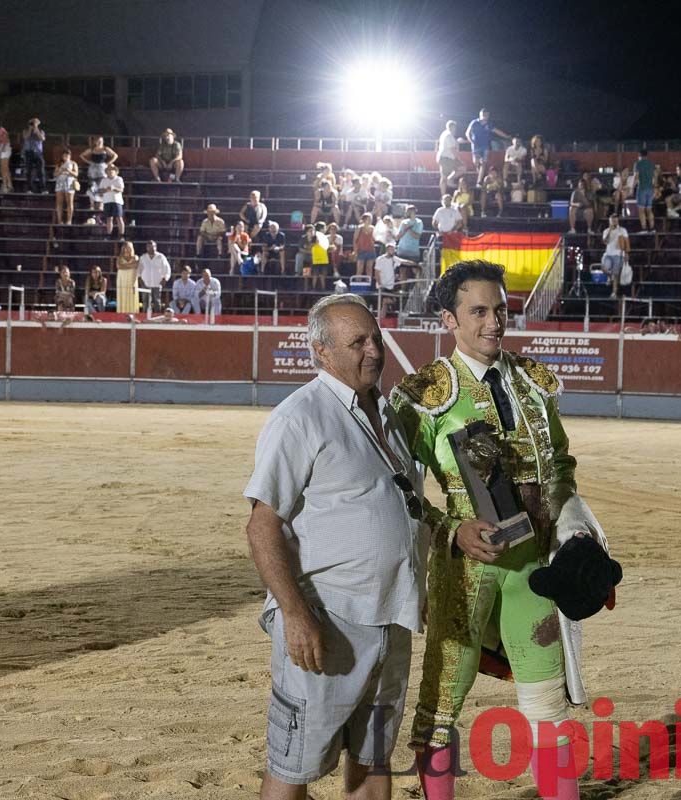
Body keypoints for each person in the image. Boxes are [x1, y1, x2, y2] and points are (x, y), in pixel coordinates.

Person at [390, 260, 608, 800]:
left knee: (547, 702)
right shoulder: (426, 393)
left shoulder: (532, 383)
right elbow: (396, 486)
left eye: (500, 309)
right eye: (479, 311)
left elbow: (558, 465)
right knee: (443, 701)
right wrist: (451, 529)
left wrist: (576, 535)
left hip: (533, 572)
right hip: (466, 568)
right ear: (450, 319)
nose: (494, 322)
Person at [244, 293, 425, 799]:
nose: (373, 351)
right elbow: (262, 526)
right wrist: (296, 614)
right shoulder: (299, 416)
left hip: (391, 615)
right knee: (294, 764)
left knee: (374, 758)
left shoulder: (388, 415)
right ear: (322, 352)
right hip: (328, 620)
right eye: (357, 342)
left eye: (376, 338)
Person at [464, 109, 510, 186]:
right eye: (485, 114)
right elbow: (467, 133)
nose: (486, 116)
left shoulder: (489, 124)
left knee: (483, 163)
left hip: (485, 147)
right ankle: (481, 176)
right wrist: (471, 140)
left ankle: (479, 182)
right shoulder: (474, 122)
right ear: (481, 114)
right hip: (476, 146)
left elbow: (497, 131)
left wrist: (506, 136)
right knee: (476, 162)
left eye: (488, 115)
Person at [80, 136, 119, 212]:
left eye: (100, 141)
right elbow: (82, 155)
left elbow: (115, 155)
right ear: (95, 142)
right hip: (93, 168)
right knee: (92, 186)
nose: (99, 142)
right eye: (98, 141)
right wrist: (89, 162)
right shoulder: (92, 149)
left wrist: (108, 163)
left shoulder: (105, 149)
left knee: (102, 186)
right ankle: (91, 205)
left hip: (102, 168)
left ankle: (101, 204)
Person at [601, 214, 630, 299]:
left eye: (616, 219)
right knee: (605, 268)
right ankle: (610, 277)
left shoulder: (622, 230)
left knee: (616, 273)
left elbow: (627, 242)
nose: (614, 221)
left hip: (618, 254)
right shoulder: (606, 231)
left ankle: (614, 292)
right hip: (608, 254)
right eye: (613, 219)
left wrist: (627, 253)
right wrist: (610, 230)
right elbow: (605, 241)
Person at [138, 241, 171, 312]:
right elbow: (139, 269)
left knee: (157, 302)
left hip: (157, 283)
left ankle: (157, 318)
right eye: (149, 247)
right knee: (145, 302)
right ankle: (144, 318)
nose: (151, 248)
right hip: (145, 283)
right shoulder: (143, 257)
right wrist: (139, 278)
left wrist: (165, 278)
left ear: (156, 247)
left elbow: (167, 269)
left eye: (153, 246)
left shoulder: (161, 257)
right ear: (147, 248)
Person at [633, 149, 658, 232]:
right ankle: (652, 228)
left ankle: (644, 228)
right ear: (647, 155)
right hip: (650, 188)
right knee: (649, 209)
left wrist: (632, 187)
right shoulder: (652, 164)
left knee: (641, 210)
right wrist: (655, 187)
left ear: (639, 156)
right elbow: (655, 176)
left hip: (642, 188)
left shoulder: (638, 164)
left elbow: (636, 177)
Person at [97, 164, 125, 238]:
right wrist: (106, 190)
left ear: (115, 171)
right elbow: (100, 191)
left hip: (117, 201)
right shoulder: (104, 180)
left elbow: (121, 189)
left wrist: (113, 188)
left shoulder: (119, 179)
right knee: (109, 218)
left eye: (112, 170)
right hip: (107, 201)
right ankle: (109, 234)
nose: (110, 171)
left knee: (119, 218)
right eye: (109, 170)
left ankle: (121, 235)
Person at [53, 150, 79, 226]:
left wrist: (69, 171)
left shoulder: (73, 163)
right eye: (64, 155)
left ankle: (69, 220)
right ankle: (59, 220)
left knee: (69, 202)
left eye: (67, 155)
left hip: (69, 183)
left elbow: (76, 174)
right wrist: (60, 171)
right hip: (60, 183)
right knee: (59, 202)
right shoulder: (59, 164)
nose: (66, 157)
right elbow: (55, 174)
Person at [435, 120, 462, 193]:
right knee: (462, 168)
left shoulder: (445, 134)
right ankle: (449, 180)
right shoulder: (449, 135)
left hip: (443, 158)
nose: (455, 129)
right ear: (452, 127)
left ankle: (443, 195)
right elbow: (452, 149)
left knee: (443, 177)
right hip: (447, 158)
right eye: (455, 127)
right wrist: (458, 159)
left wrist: (457, 142)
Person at [21, 118, 46, 193]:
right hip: (28, 153)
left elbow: (42, 138)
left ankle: (43, 189)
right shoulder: (25, 131)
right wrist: (30, 129)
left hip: (38, 153)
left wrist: (36, 129)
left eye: (34, 123)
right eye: (31, 123)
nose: (32, 125)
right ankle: (29, 189)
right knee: (28, 171)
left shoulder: (41, 131)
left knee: (41, 171)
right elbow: (26, 137)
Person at [115, 240, 140, 314]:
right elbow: (119, 266)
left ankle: (132, 315)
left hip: (131, 280)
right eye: (125, 247)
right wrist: (130, 266)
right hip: (121, 280)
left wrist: (124, 266)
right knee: (122, 296)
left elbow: (136, 265)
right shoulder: (119, 258)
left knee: (132, 297)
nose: (127, 249)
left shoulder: (135, 257)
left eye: (129, 247)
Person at [354, 214, 377, 278]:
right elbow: (355, 240)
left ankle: (368, 285)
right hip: (361, 250)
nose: (370, 221)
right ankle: (358, 285)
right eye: (368, 219)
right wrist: (355, 251)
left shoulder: (373, 228)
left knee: (369, 269)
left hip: (371, 250)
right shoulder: (359, 228)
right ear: (364, 220)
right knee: (359, 270)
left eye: (370, 219)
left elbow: (375, 239)